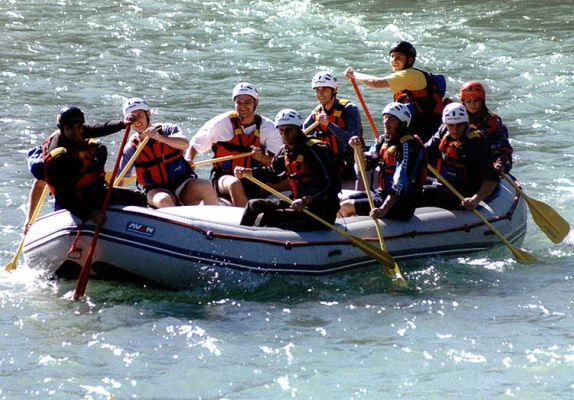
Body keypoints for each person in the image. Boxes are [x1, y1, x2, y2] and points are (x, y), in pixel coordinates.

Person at [26, 105, 147, 229]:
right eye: (71, 128)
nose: (77, 132)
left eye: (79, 127)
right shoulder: (59, 158)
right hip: (78, 201)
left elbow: (99, 129)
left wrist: (122, 124)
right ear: (62, 129)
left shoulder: (76, 132)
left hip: (92, 191)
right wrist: (90, 215)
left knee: (99, 148)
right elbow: (64, 198)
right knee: (139, 198)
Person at [234, 109, 342, 231]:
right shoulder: (285, 150)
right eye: (281, 130)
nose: (285, 134)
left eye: (289, 130)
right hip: (296, 202)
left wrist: (306, 200)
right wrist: (249, 172)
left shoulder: (316, 150)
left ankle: (254, 242)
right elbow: (272, 173)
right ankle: (241, 235)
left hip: (320, 211)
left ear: (298, 128)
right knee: (253, 205)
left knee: (266, 219)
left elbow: (333, 184)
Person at [184, 82, 282, 207]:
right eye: (239, 102)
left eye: (247, 102)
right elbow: (194, 146)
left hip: (252, 175)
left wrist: (261, 157)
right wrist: (189, 160)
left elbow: (277, 165)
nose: (243, 106)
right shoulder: (222, 123)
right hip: (224, 176)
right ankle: (246, 222)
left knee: (289, 181)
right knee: (234, 184)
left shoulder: (268, 127)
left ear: (256, 103)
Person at [119, 98, 218, 208]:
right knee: (163, 200)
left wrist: (160, 137)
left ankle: (218, 222)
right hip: (155, 190)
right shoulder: (131, 148)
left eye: (139, 115)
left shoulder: (167, 129)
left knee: (206, 186)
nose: (137, 121)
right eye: (132, 118)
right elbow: (121, 180)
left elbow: (185, 144)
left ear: (148, 114)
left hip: (182, 184)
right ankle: (178, 224)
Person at [344, 40, 445, 142]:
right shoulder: (411, 74)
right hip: (422, 126)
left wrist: (354, 74)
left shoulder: (409, 74)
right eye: (392, 56)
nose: (394, 60)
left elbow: (375, 82)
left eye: (399, 57)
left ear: (409, 60)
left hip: (425, 129)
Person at [339, 102, 426, 220]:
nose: (385, 122)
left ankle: (336, 235)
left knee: (346, 206)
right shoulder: (383, 141)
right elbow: (364, 167)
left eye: (391, 119)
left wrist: (383, 209)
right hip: (383, 194)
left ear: (402, 123)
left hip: (400, 203)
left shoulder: (407, 146)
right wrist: (357, 149)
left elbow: (400, 182)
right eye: (385, 118)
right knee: (342, 199)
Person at [423, 102, 499, 210]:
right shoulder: (443, 131)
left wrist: (475, 199)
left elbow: (492, 179)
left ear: (466, 123)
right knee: (414, 185)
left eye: (459, 125)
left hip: (465, 191)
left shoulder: (476, 142)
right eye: (451, 125)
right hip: (445, 182)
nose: (455, 129)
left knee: (424, 192)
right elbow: (425, 151)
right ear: (445, 124)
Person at [303, 72, 363, 186]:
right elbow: (302, 133)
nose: (320, 94)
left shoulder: (349, 109)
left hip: (348, 161)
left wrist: (329, 124)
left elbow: (353, 139)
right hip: (328, 160)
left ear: (334, 90)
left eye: (324, 89)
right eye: (317, 90)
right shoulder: (317, 112)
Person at [459, 81, 513, 173]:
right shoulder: (457, 119)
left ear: (482, 101)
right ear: (463, 102)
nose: (472, 104)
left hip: (487, 162)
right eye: (468, 101)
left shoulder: (493, 122)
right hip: (464, 161)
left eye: (476, 100)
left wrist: (500, 163)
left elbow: (503, 149)